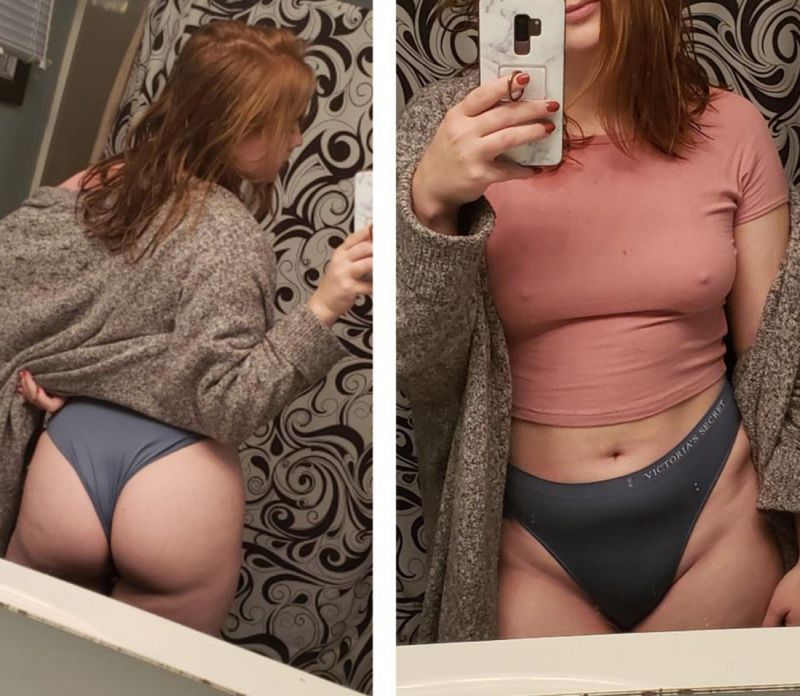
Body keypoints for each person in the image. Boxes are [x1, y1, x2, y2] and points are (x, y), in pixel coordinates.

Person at [397, 0, 799, 642]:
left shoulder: (730, 127)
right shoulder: (448, 132)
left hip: (721, 523)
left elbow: (783, 363)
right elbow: (421, 369)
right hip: (529, 545)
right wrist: (432, 203)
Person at [1, 21, 372, 636]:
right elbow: (225, 406)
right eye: (288, 122)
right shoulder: (228, 233)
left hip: (64, 467)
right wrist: (324, 305)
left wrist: (43, 369)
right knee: (142, 679)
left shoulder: (89, 188)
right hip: (173, 485)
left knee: (18, 662)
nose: (297, 137)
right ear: (241, 130)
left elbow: (18, 304)